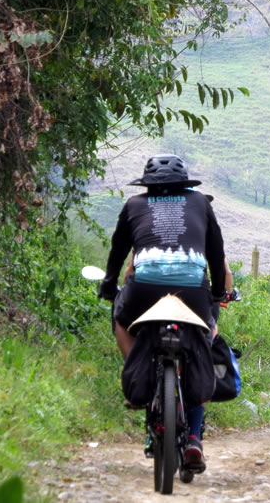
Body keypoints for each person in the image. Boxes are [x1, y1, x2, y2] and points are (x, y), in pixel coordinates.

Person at [98, 154, 230, 473]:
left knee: (121, 319)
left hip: (143, 288)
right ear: (184, 183)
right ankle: (194, 435)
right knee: (204, 332)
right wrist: (215, 294)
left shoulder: (134, 205)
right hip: (193, 292)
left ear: (148, 185)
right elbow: (216, 253)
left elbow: (118, 251)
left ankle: (136, 371)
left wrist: (108, 283)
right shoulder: (200, 202)